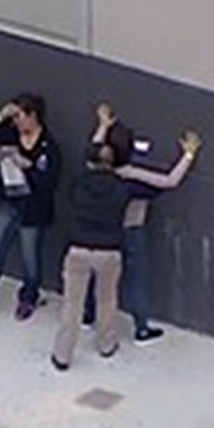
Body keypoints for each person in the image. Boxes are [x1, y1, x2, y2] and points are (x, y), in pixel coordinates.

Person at [82, 103, 202, 343]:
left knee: (97, 274)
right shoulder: (135, 177)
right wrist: (188, 154)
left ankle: (88, 314)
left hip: (104, 230)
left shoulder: (95, 172)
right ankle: (141, 328)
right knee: (136, 278)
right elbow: (169, 181)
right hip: (132, 230)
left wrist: (103, 125)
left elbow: (93, 149)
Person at [0, 93, 60, 320]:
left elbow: (50, 182)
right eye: (13, 117)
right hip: (7, 201)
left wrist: (28, 167)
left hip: (32, 209)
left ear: (33, 116)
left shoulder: (49, 147)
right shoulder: (9, 135)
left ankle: (29, 296)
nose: (16, 122)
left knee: (30, 257)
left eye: (19, 116)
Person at [53, 141, 135, 369]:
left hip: (78, 246)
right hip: (109, 250)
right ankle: (106, 345)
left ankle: (62, 354)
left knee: (72, 304)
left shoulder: (77, 182)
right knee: (107, 300)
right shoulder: (122, 187)